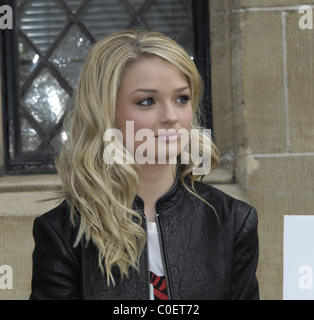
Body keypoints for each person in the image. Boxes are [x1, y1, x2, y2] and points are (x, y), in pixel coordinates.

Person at [30, 30, 259, 300]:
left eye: (182, 98)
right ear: (106, 113)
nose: (171, 117)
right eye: (147, 101)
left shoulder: (232, 221)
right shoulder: (64, 232)